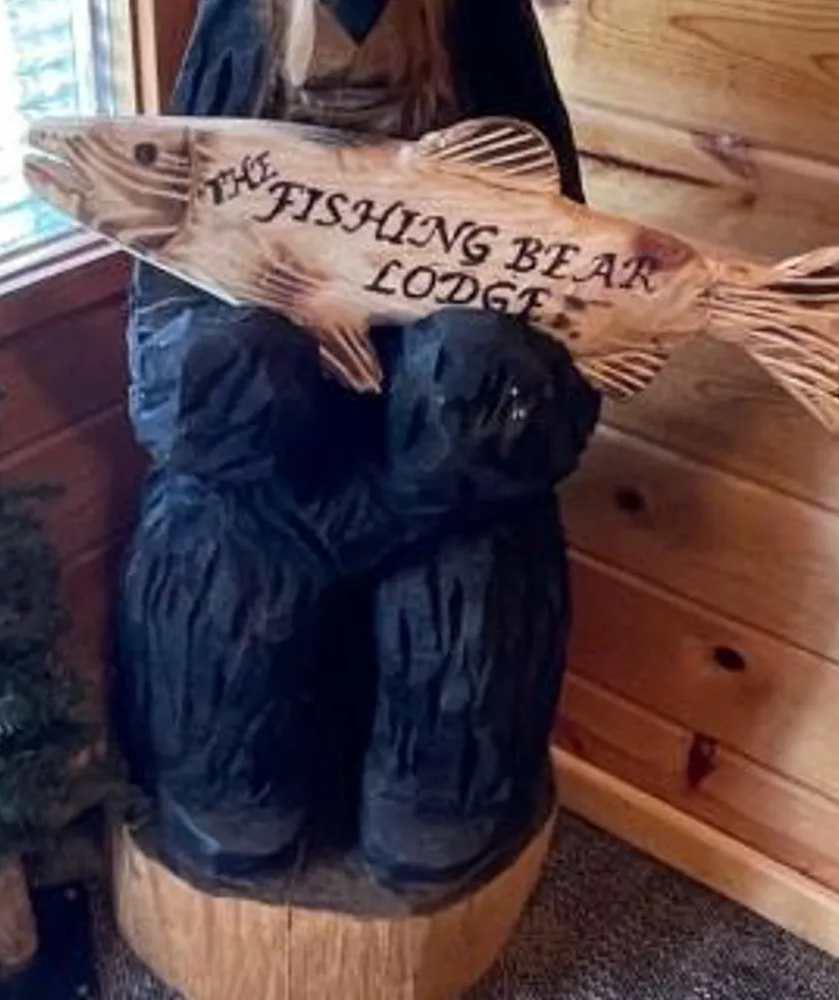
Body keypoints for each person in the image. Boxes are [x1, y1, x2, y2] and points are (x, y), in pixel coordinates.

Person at [109, 0, 600, 892]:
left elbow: (572, 354)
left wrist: (471, 397)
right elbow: (166, 382)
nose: (347, 70)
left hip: (445, 505)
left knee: (470, 567)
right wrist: (241, 368)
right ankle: (228, 790)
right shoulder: (213, 153)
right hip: (265, 497)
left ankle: (438, 799)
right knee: (216, 536)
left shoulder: (502, 122)